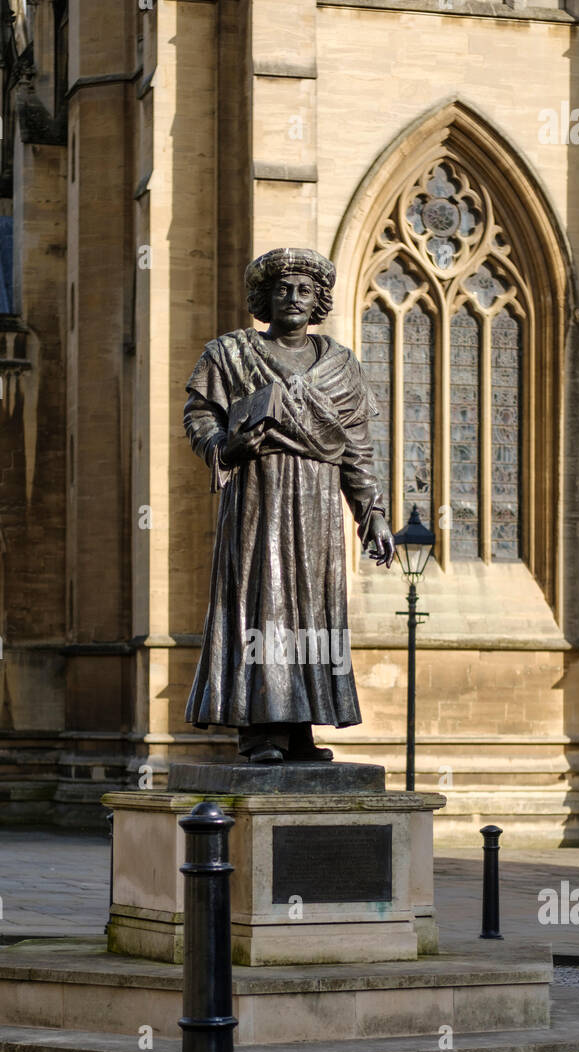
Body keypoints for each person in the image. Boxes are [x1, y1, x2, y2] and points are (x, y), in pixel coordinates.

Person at [184, 247, 394, 763]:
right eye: (282, 290)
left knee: (313, 611)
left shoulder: (342, 366)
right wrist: (224, 448)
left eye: (303, 290)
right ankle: (259, 731)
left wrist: (373, 515)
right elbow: (199, 417)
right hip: (260, 497)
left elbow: (357, 448)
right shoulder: (230, 354)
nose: (293, 299)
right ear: (264, 298)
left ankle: (300, 724)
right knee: (263, 602)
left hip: (319, 506)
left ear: (318, 299)